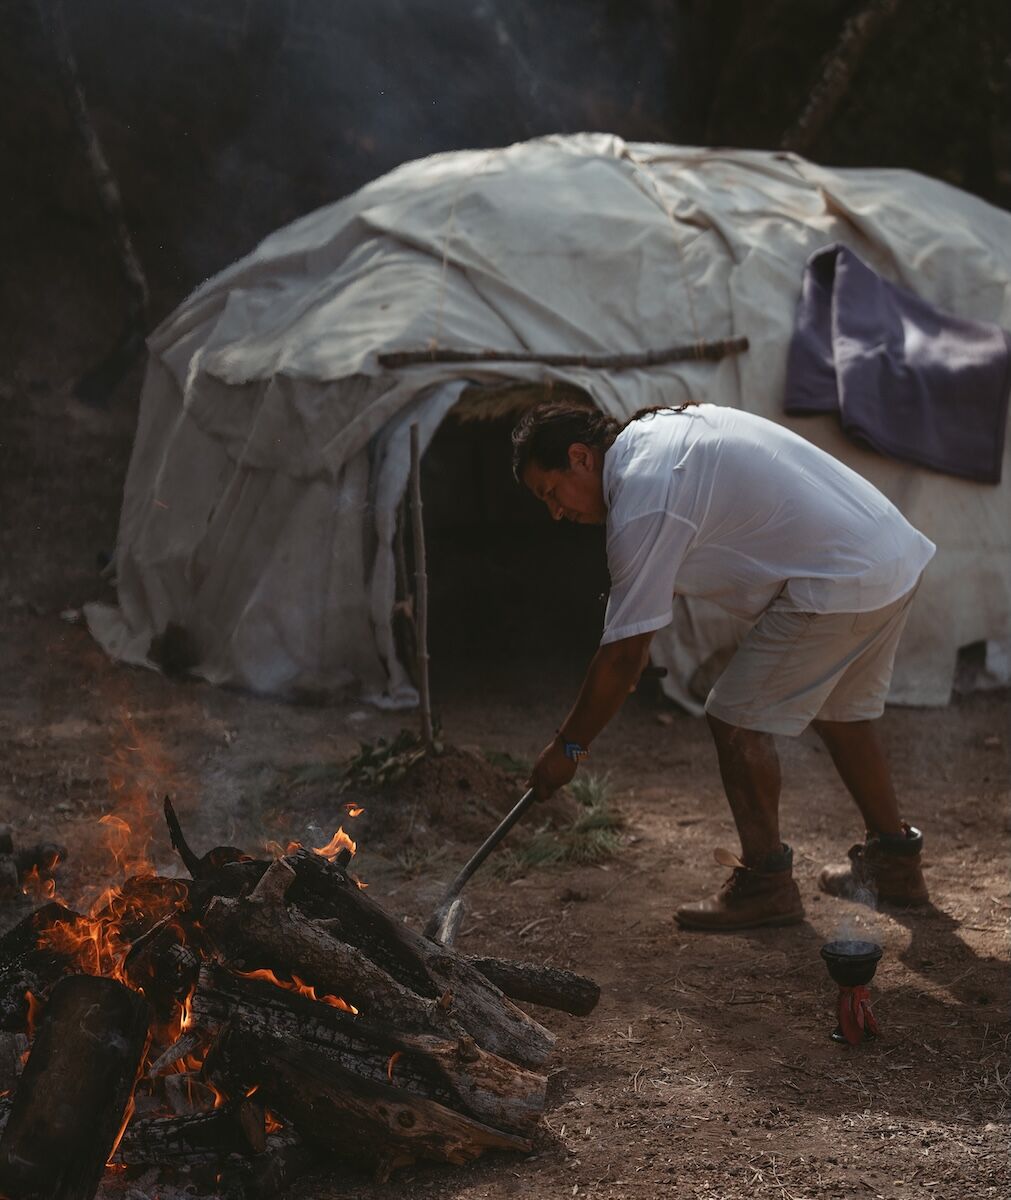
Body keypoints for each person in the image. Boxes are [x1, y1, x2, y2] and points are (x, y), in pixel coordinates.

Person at [512, 394, 935, 931]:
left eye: (552, 493)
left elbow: (623, 657)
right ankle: (896, 864)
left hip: (840, 578)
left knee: (734, 717)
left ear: (580, 457)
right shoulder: (658, 436)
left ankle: (765, 884)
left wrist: (568, 748)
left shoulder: (641, 497)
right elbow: (630, 646)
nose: (557, 513)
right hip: (886, 552)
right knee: (840, 710)